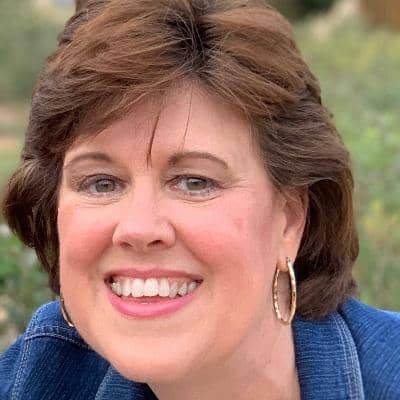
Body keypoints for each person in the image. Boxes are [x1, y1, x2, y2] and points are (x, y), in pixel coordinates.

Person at [1, 0, 399, 399]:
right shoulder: (35, 377)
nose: (139, 228)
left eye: (194, 182)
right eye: (101, 184)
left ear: (290, 218)